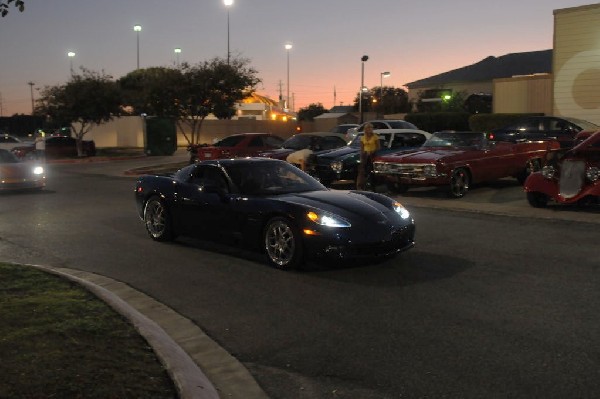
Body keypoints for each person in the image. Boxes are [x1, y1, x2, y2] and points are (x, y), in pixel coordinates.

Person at [356, 123, 380, 190]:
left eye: (371, 128)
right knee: (363, 170)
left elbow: (378, 147)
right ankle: (361, 185)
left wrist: (373, 151)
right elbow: (362, 148)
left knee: (372, 171)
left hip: (373, 154)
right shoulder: (362, 137)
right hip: (365, 155)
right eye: (368, 128)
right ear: (365, 129)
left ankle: (373, 186)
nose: (370, 129)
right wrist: (362, 155)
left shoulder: (375, 137)